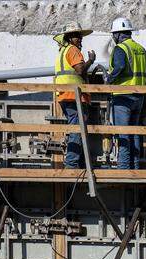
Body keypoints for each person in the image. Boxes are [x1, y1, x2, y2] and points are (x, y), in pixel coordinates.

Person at [105, 17, 146, 169]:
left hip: (123, 96)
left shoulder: (121, 48)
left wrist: (108, 79)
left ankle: (123, 168)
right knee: (134, 132)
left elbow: (119, 67)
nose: (113, 38)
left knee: (123, 133)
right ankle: (135, 166)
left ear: (117, 34)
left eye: (113, 35)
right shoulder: (141, 49)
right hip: (139, 96)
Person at [53, 23, 96, 169]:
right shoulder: (73, 50)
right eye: (77, 36)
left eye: (80, 36)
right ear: (70, 38)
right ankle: (71, 164)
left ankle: (78, 163)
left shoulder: (63, 51)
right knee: (77, 129)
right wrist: (91, 60)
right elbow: (79, 70)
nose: (80, 39)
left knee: (77, 128)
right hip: (74, 96)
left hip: (66, 95)